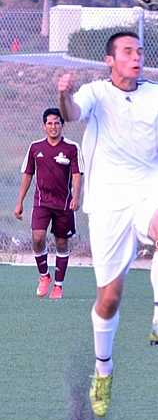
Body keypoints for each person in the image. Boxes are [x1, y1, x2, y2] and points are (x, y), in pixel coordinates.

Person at [58, 31, 158, 418]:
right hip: (107, 200)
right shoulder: (96, 92)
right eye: (127, 52)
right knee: (109, 299)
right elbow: (71, 114)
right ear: (110, 60)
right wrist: (63, 93)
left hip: (149, 186)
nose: (136, 57)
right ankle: (103, 370)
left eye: (139, 51)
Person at [14, 108, 83, 299]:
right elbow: (28, 174)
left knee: (61, 243)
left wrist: (76, 197)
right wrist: (19, 201)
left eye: (57, 123)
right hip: (41, 203)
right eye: (50, 123)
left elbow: (77, 175)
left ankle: (58, 286)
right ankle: (44, 276)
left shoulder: (72, 148)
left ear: (62, 125)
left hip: (64, 205)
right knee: (37, 238)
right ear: (44, 126)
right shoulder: (35, 147)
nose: (53, 126)